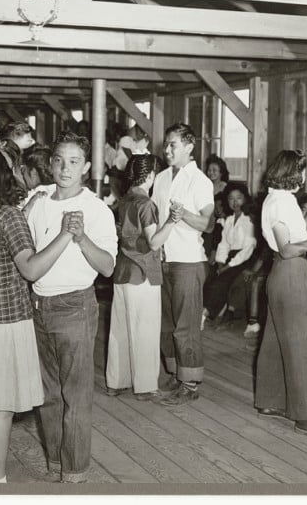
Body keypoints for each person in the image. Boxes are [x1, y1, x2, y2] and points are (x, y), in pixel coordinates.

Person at [0, 140, 75, 484]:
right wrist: (65, 235)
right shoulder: (8, 217)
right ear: (5, 175)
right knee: (2, 410)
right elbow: (32, 269)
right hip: (7, 322)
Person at [27, 131, 118, 483]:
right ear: (50, 163)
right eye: (60, 160)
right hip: (36, 304)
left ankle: (75, 473)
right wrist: (25, 210)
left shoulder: (96, 209)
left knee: (75, 396)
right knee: (46, 394)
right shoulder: (37, 199)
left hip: (75, 307)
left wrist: (82, 238)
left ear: (87, 167)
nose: (66, 168)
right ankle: (55, 460)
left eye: (74, 162)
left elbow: (108, 267)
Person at [254, 149, 307, 440]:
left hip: (283, 275)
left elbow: (302, 229)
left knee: (275, 341)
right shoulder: (278, 204)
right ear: (291, 173)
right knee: (301, 346)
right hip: (289, 273)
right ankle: (306, 416)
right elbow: (289, 249)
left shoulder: (282, 200)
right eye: (300, 171)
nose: (303, 177)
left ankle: (269, 401)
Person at [105, 154, 181, 401]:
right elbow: (154, 240)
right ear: (150, 176)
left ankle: (117, 381)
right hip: (143, 272)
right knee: (145, 330)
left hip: (123, 272)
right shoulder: (145, 204)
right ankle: (146, 386)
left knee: (120, 329)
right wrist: (172, 220)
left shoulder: (125, 199)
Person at [150, 123, 214, 406]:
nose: (167, 150)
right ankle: (176, 375)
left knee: (186, 326)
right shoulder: (162, 177)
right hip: (163, 259)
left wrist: (184, 213)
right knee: (166, 324)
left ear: (189, 147)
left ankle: (189, 384)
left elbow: (208, 223)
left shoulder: (200, 181)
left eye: (173, 145)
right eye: (166, 144)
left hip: (188, 261)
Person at [202, 182, 256, 328]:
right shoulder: (229, 220)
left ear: (245, 199)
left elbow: (248, 249)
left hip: (245, 258)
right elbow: (224, 243)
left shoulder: (249, 220)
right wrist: (220, 262)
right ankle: (206, 311)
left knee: (222, 281)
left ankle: (205, 314)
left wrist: (227, 266)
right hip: (230, 257)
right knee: (211, 277)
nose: (235, 202)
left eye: (238, 198)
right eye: (231, 199)